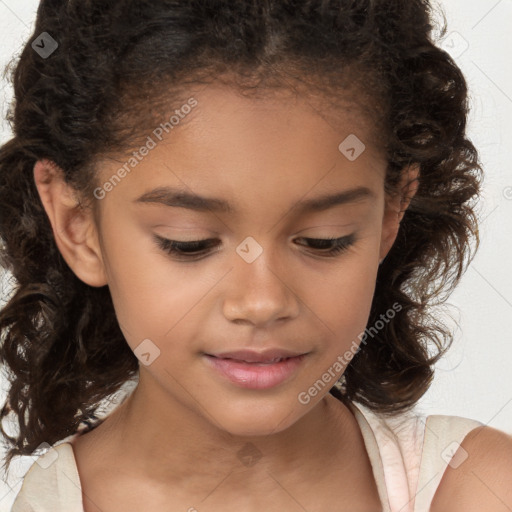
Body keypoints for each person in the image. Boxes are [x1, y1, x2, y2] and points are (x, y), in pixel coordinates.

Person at [0, 1, 511, 511]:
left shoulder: (478, 489)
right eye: (189, 243)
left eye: (324, 239)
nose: (262, 302)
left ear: (390, 211)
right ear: (78, 224)